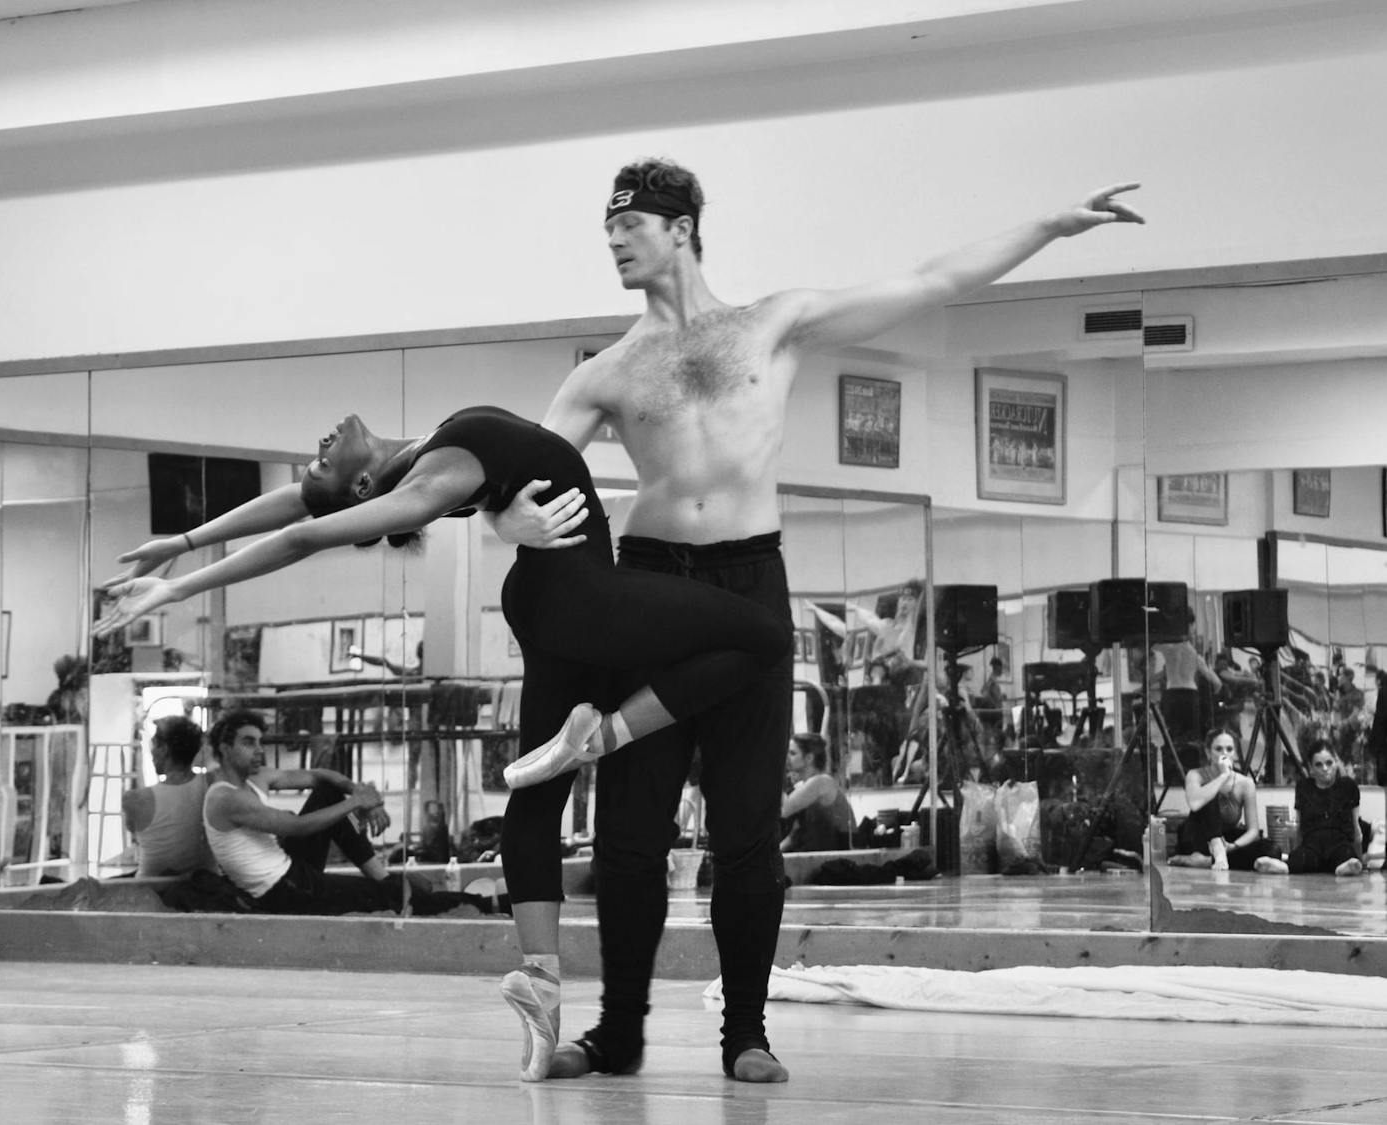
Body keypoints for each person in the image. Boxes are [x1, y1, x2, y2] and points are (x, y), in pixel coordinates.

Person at [492, 159, 1143, 1082]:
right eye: (607, 229)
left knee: (748, 829)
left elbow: (928, 283)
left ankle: (746, 1032)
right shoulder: (607, 370)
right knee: (630, 839)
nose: (613, 242)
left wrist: (1048, 225)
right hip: (650, 589)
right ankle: (619, 1033)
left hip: (749, 582)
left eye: (627, 225)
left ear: (680, 227)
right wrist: (506, 519)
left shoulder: (774, 322)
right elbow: (516, 464)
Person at [93, 404, 791, 1080]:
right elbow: (305, 534)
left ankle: (542, 982)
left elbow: (293, 507)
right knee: (764, 635)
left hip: (551, 603)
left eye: (314, 460)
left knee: (534, 792)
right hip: (581, 603)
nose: (321, 442)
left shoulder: (427, 457)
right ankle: (606, 733)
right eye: (324, 461)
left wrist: (181, 542)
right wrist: (171, 592)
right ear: (364, 490)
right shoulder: (433, 479)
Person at [198, 709, 492, 915]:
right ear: (224, 748)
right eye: (249, 743)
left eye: (260, 742)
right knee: (389, 896)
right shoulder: (225, 799)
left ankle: (382, 877)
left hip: (291, 870)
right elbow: (297, 827)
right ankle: (482, 903)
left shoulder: (257, 777)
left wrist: (360, 794)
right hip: (281, 891)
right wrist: (356, 802)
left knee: (329, 792)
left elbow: (320, 776)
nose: (259, 750)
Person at [1167, 727, 1278, 872]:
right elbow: (1194, 804)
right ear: (1208, 752)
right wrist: (1223, 776)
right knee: (1209, 796)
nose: (1224, 754)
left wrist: (1233, 846)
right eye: (1218, 749)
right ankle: (1215, 852)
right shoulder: (1195, 775)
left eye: (1229, 749)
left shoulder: (1245, 783)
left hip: (1226, 838)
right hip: (1197, 837)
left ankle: (1207, 861)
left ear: (1235, 753)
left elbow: (1253, 830)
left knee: (1273, 850)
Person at [121, 714, 218, 878]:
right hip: (205, 887)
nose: (151, 752)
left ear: (164, 749)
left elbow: (133, 830)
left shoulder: (134, 799)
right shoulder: (212, 784)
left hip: (151, 891)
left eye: (153, 745)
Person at [1256, 741, 1365, 876]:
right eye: (1319, 765)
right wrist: (1294, 853)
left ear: (1336, 762)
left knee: (1346, 855)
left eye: (1329, 763)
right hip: (1312, 844)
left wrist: (1360, 858)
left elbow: (1356, 828)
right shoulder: (1304, 787)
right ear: (1311, 768)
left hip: (1340, 843)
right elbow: (1299, 826)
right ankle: (1285, 867)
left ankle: (1344, 868)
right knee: (1302, 857)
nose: (1325, 768)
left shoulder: (1348, 786)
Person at [1150, 608, 1222, 764]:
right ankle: (1189, 770)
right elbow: (1217, 683)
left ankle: (1174, 773)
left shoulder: (1168, 649)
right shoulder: (1195, 655)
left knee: (1172, 738)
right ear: (1191, 626)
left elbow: (1152, 645)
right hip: (1190, 697)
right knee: (1192, 739)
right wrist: (1213, 697)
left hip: (1172, 695)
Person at [779, 733, 854, 853]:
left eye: (792, 753)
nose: (787, 757)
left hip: (841, 853)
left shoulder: (822, 782)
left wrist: (775, 771)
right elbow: (795, 835)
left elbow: (784, 810)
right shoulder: (805, 785)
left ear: (809, 758)